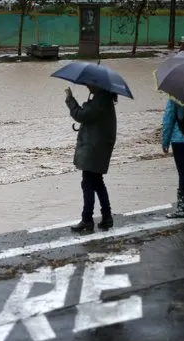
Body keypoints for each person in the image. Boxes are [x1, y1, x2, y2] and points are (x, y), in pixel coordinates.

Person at [65, 85, 117, 232]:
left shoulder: (101, 102)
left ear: (98, 86)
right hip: (97, 148)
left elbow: (80, 115)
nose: (88, 86)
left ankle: (87, 219)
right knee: (97, 183)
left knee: (87, 184)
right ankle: (106, 217)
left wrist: (70, 98)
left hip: (94, 149)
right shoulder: (102, 100)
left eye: (90, 84)